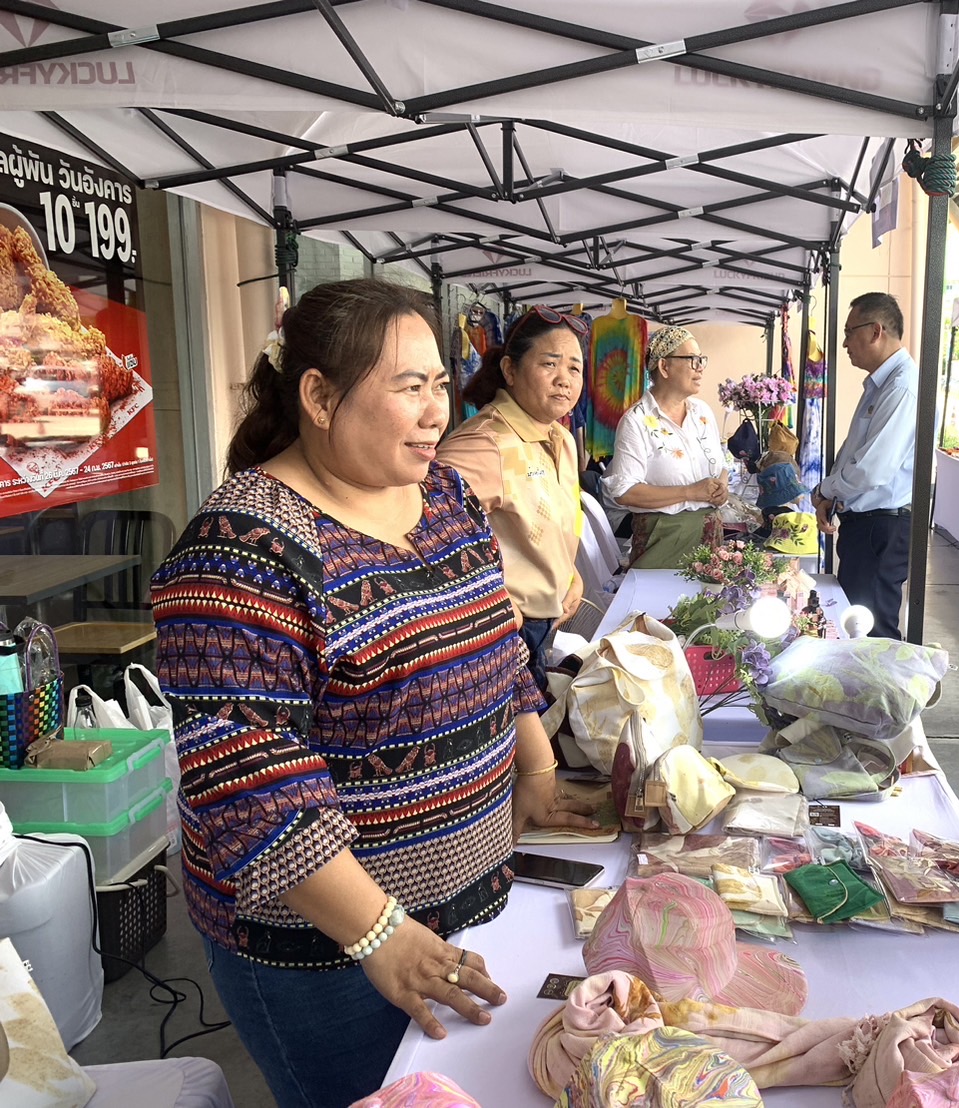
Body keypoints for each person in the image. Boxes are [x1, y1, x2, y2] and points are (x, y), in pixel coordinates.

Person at [150, 279, 597, 1108]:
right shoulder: (239, 553)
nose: (437, 413)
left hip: (469, 914)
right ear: (319, 396)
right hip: (329, 956)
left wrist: (535, 770)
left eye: (438, 383)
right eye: (408, 388)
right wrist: (382, 936)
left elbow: (496, 641)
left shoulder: (444, 499)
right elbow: (250, 781)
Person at [437, 306, 586, 691]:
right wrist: (493, 606)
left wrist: (570, 575)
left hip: (546, 621)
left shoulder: (561, 438)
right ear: (509, 370)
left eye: (574, 368)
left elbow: (550, 529)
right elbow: (423, 533)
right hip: (507, 633)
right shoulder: (487, 443)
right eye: (550, 364)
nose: (564, 380)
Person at [813, 292, 917, 639]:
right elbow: (854, 452)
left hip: (881, 527)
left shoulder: (900, 386)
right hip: (867, 526)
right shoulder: (880, 383)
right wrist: (832, 495)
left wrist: (825, 489)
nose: (844, 343)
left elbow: (872, 470)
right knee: (856, 625)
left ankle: (888, 694)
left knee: (872, 635)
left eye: (849, 332)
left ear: (875, 331)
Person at [603, 325, 729, 568]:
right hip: (663, 540)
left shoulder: (702, 412)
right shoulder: (636, 420)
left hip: (710, 539)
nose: (700, 367)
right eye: (692, 359)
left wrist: (721, 487)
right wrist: (690, 492)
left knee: (708, 604)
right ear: (664, 366)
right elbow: (624, 491)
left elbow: (720, 466)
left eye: (701, 359)